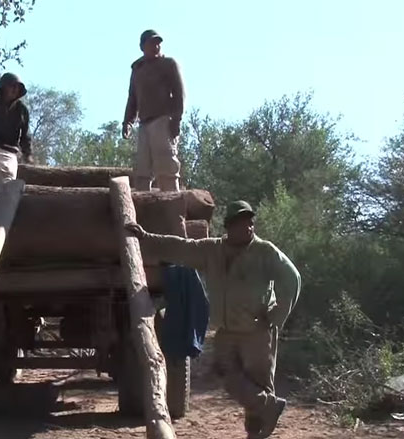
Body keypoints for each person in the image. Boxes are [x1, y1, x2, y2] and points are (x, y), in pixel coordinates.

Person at [126, 200, 301, 438]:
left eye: (251, 223)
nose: (248, 228)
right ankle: (269, 406)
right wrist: (146, 237)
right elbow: (181, 247)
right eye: (242, 223)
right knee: (223, 373)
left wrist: (277, 315)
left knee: (258, 382)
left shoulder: (265, 251)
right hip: (227, 331)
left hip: (257, 332)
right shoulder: (212, 250)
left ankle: (255, 432)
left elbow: (292, 279)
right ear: (229, 226)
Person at [122, 29, 185, 192]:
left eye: (158, 43)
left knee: (166, 168)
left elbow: (180, 94)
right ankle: (143, 209)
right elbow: (132, 98)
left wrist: (176, 121)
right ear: (142, 46)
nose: (156, 46)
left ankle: (172, 208)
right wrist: (127, 122)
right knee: (142, 171)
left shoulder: (168, 64)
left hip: (163, 121)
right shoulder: (137, 69)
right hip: (144, 124)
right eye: (152, 43)